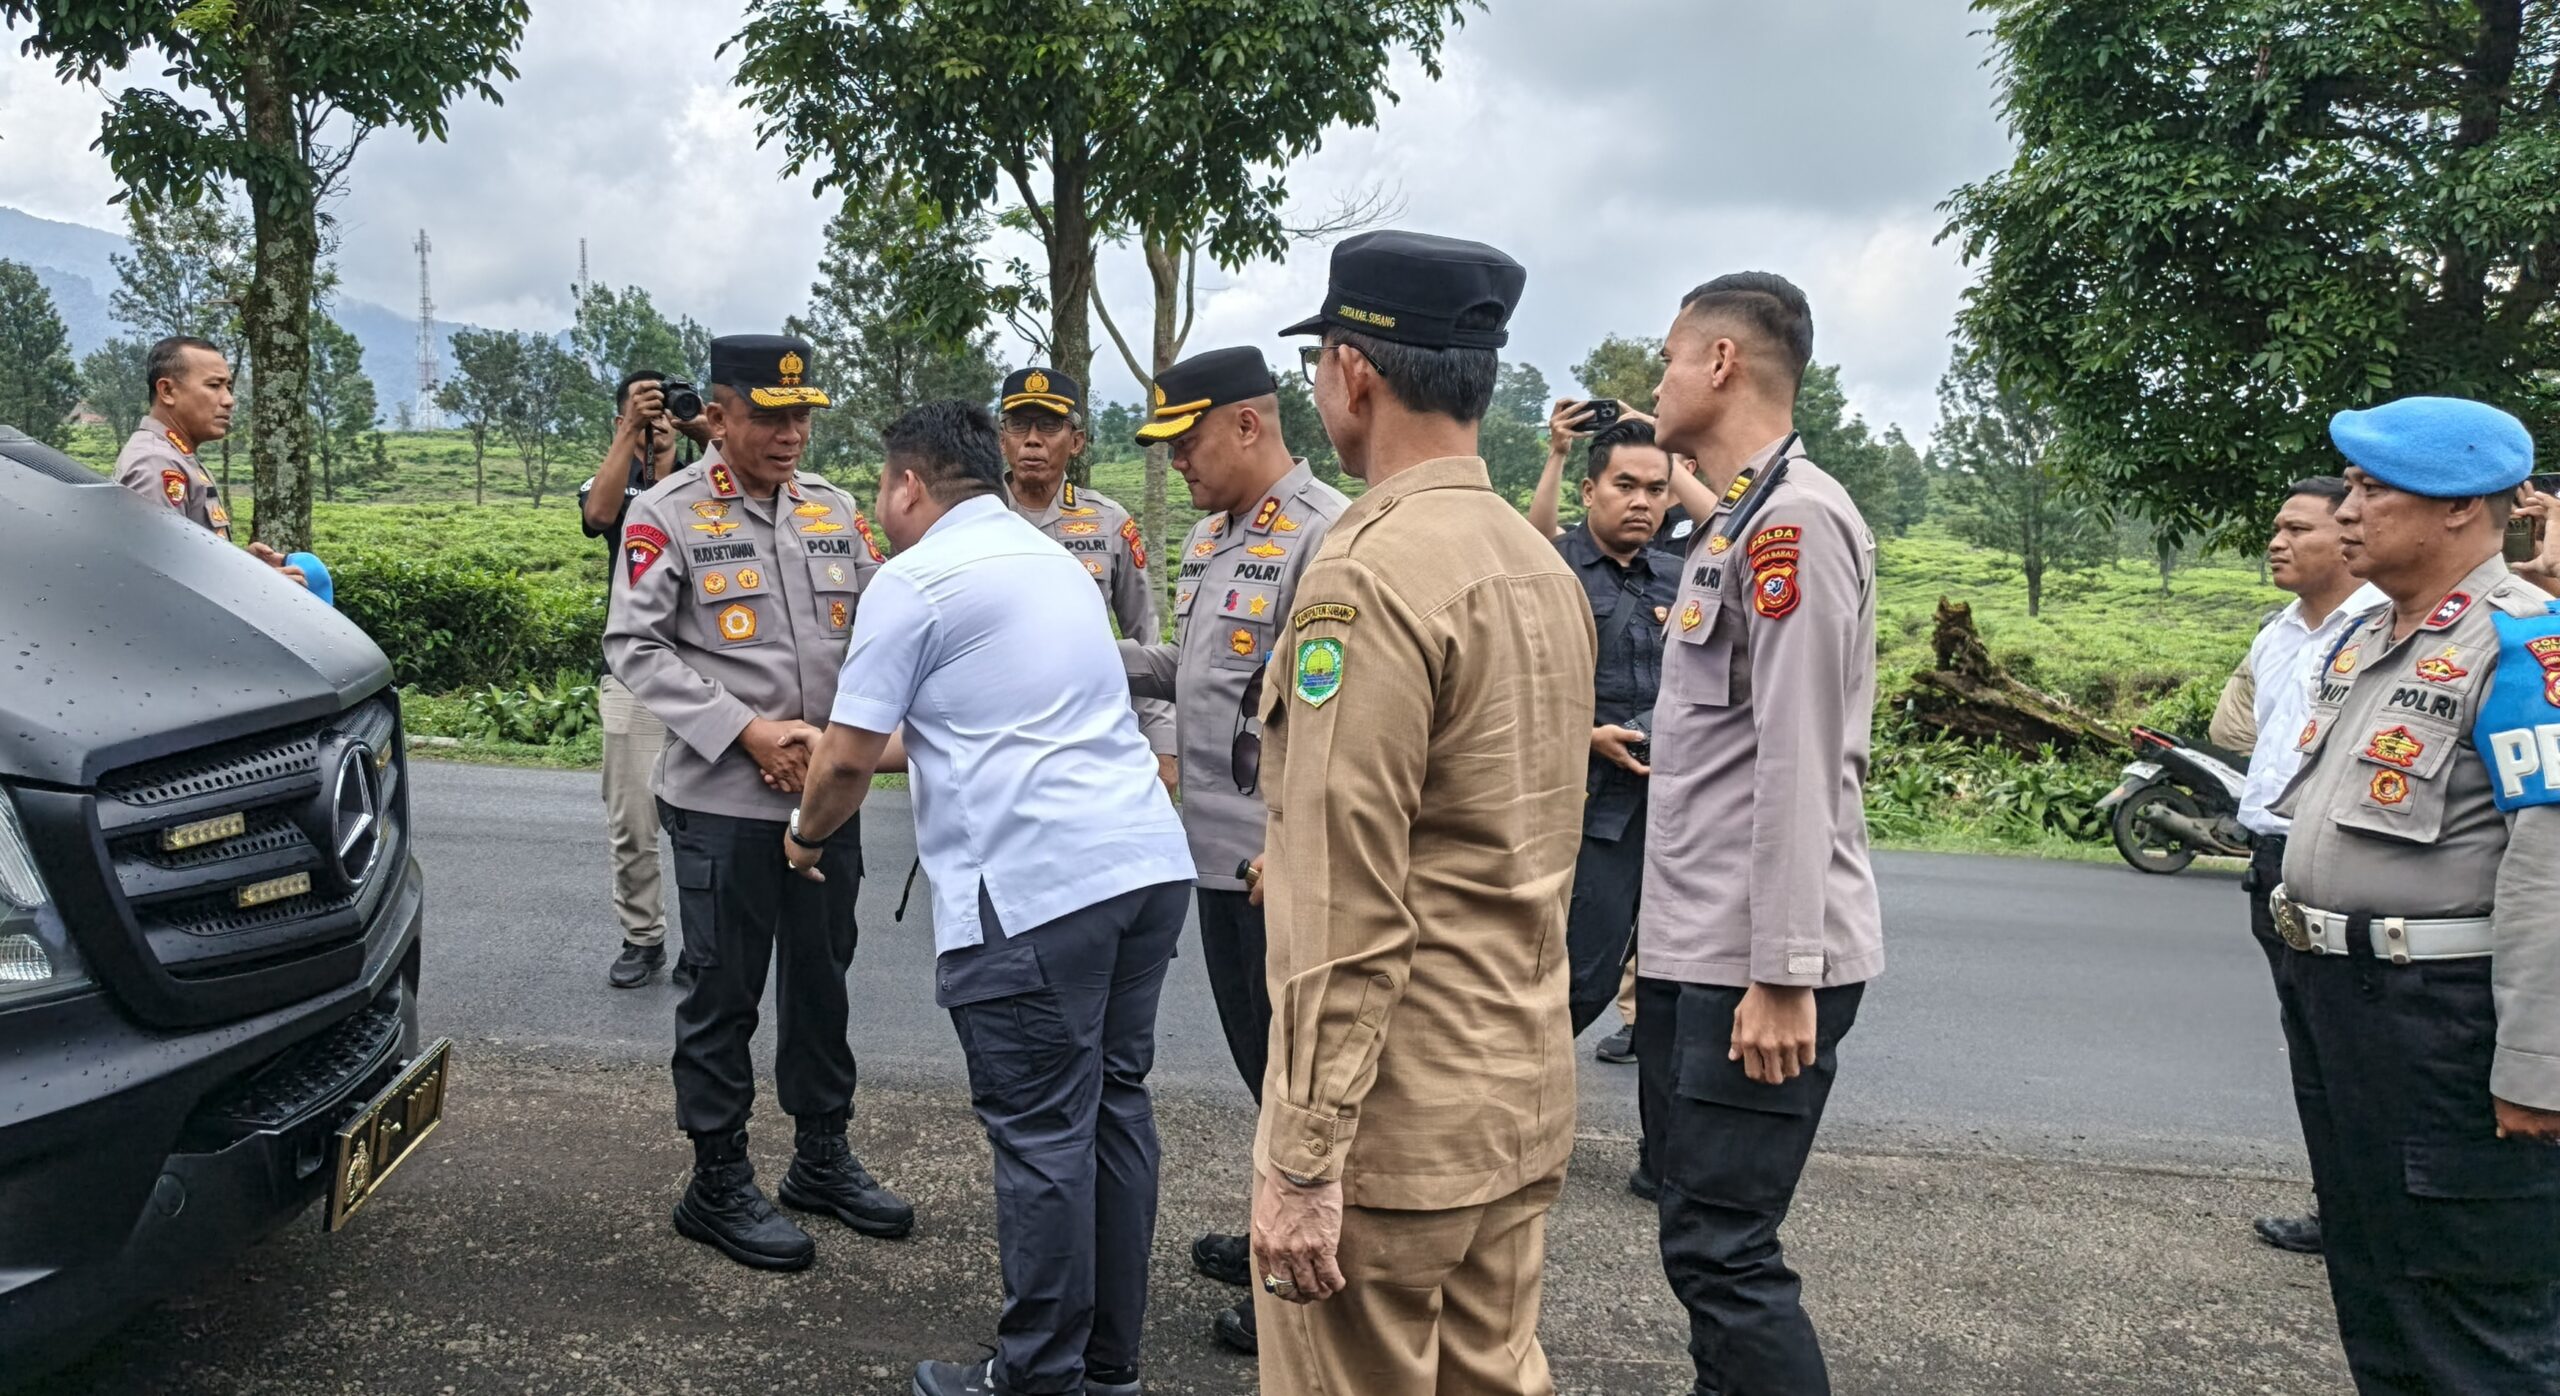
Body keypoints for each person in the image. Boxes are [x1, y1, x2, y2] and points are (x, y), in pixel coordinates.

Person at [784, 399, 1195, 1396]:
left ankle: (1037, 1374)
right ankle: (1107, 1365)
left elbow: (846, 762)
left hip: (1038, 890)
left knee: (1043, 1134)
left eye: (883, 486)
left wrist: (805, 834)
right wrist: (840, 751)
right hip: (1142, 868)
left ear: (909, 485)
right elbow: (969, 722)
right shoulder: (1050, 562)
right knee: (1112, 1112)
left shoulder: (915, 580)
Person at [1251, 230, 1595, 1396]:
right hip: (1515, 1095)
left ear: (1353, 372)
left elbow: (1344, 897)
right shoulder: (1535, 560)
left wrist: (1304, 1152)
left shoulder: (1369, 572)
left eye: (1320, 363)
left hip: (1394, 1123)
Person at [2268, 395, 2560, 1395]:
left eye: (2372, 488)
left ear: (2460, 508)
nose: (2347, 510)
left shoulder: (2523, 643)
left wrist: (2538, 1064)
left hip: (2444, 1018)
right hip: (2343, 1003)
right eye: (2348, 486)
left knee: (2469, 1308)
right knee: (2375, 1281)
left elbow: (2549, 865)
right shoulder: (2370, 634)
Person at [603, 333, 909, 1272]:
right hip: (723, 803)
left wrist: (850, 741)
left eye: (802, 415)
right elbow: (634, 645)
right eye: (770, 417)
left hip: (826, 798)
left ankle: (820, 1157)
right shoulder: (666, 512)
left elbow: (881, 620)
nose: (791, 434)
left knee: (821, 984)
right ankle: (717, 1178)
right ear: (718, 416)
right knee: (722, 992)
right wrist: (747, 731)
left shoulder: (833, 509)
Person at [1637, 271, 1883, 1396]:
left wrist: (1783, 973)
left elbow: (1798, 758)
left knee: (1724, 1250)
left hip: (1757, 959)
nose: (1658, 383)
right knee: (1699, 1237)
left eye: (1669, 359)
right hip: (1705, 945)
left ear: (1721, 362)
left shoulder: (1795, 522)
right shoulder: (1741, 514)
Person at [1114, 345, 1351, 1356]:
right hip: (1214, 856)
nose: (1175, 463)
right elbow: (1195, 669)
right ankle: (1276, 1228)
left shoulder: (1326, 535)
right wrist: (1089, 655)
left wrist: (1292, 849)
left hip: (1274, 865)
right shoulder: (1215, 536)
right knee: (1263, 1066)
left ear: (1247, 424)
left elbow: (1333, 717)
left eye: (1186, 441)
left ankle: (1313, 1278)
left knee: (1303, 1076)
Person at [2225, 477, 2387, 1257]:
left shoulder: (2384, 630)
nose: (2277, 542)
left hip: (2339, 859)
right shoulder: (2278, 634)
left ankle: (2379, 1218)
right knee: (2310, 1047)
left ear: (2349, 539)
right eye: (2276, 528)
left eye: (2298, 529)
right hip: (2272, 858)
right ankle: (2340, 1211)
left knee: (2360, 1049)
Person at [581, 369, 717, 989]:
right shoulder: (613, 480)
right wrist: (629, 433)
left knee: (705, 824)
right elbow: (598, 514)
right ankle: (643, 938)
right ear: (622, 421)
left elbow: (744, 476)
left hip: (706, 672)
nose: (658, 424)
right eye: (645, 414)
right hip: (632, 675)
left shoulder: (705, 480)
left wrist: (700, 429)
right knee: (632, 823)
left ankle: (703, 947)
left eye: (666, 415)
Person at [996, 366, 1178, 790]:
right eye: (1019, 425)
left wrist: (1162, 745)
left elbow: (1145, 638)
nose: (1033, 440)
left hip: (1087, 739)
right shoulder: (970, 517)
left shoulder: (1108, 522)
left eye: (1049, 426)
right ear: (1002, 439)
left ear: (1076, 441)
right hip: (994, 737)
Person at [114, 335, 305, 584]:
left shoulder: (177, 456)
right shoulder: (156, 464)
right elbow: (158, 577)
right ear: (167, 391)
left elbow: (187, 559)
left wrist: (244, 565)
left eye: (228, 387)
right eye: (214, 386)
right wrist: (256, 584)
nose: (228, 400)